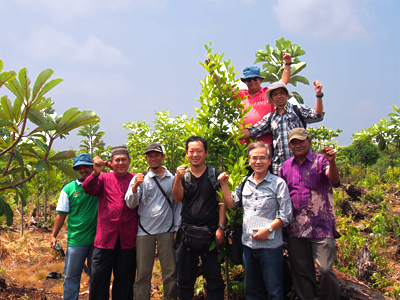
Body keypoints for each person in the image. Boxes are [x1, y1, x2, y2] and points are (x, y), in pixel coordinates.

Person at [218, 141, 292, 300]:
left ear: (270, 160)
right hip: (248, 246)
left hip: (271, 247)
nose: (258, 161)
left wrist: (268, 230)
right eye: (254, 158)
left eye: (263, 158)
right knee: (251, 291)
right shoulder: (245, 183)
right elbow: (231, 204)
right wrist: (223, 184)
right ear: (249, 160)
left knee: (274, 291)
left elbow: (286, 215)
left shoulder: (278, 184)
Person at [279, 128, 341, 300]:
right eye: (294, 142)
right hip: (295, 227)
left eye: (301, 141)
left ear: (309, 141)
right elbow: (281, 195)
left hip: (321, 226)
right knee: (302, 272)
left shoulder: (321, 161)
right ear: (290, 145)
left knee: (325, 270)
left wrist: (333, 162)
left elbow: (335, 181)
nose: (298, 145)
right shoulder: (285, 167)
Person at [125, 142, 181, 300]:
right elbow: (130, 203)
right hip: (144, 232)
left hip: (167, 231)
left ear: (163, 156)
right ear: (146, 158)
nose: (153, 158)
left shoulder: (173, 178)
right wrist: (135, 186)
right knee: (143, 273)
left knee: (170, 272)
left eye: (157, 155)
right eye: (150, 155)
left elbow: (178, 204)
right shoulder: (140, 178)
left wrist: (176, 228)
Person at [172, 136, 226, 300]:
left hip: (211, 234)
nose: (195, 154)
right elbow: (178, 198)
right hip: (187, 233)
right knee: (184, 279)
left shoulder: (214, 175)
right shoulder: (184, 176)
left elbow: (222, 202)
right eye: (191, 151)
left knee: (215, 279)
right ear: (187, 154)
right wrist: (177, 178)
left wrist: (221, 227)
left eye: (199, 151)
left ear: (206, 153)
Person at [82, 146, 137, 300]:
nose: (120, 163)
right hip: (105, 239)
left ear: (129, 161)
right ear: (111, 162)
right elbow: (88, 188)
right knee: (99, 279)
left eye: (123, 160)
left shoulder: (135, 179)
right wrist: (95, 172)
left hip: (127, 240)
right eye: (117, 160)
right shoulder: (104, 178)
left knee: (125, 280)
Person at [241, 80, 325, 175]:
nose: (279, 96)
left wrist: (319, 95)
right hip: (280, 168)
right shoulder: (271, 118)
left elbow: (317, 116)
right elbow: (253, 130)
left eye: (281, 93)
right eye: (275, 94)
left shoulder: (297, 110)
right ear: (272, 99)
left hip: (302, 165)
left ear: (286, 95)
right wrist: (232, 137)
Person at [50, 153, 98, 300]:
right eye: (80, 167)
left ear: (92, 167)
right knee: (71, 276)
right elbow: (61, 214)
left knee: (96, 277)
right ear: (76, 169)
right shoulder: (68, 189)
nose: (83, 170)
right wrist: (53, 235)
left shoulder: (99, 184)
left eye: (86, 166)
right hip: (76, 240)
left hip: (98, 241)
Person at [237, 53, 292, 145]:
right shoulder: (241, 95)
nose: (252, 81)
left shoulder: (268, 93)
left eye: (255, 78)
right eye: (249, 79)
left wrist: (287, 64)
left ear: (260, 80)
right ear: (245, 82)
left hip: (265, 142)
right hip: (245, 143)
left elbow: (283, 82)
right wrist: (212, 70)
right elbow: (223, 88)